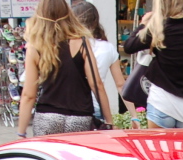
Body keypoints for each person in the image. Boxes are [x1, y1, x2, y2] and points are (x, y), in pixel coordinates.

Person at [16, 0, 115, 138]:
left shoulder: (35, 46)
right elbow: (96, 84)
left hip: (47, 115)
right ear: (68, 14)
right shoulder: (82, 43)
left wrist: (21, 132)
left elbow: (29, 95)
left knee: (49, 157)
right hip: (79, 115)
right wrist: (109, 121)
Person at [123, 0, 183, 130]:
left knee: (158, 150)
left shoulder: (158, 28)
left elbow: (128, 46)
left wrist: (143, 24)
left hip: (162, 102)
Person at [72, 0, 131, 118]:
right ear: (95, 21)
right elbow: (120, 85)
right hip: (96, 107)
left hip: (70, 106)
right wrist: (134, 115)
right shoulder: (107, 48)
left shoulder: (69, 46)